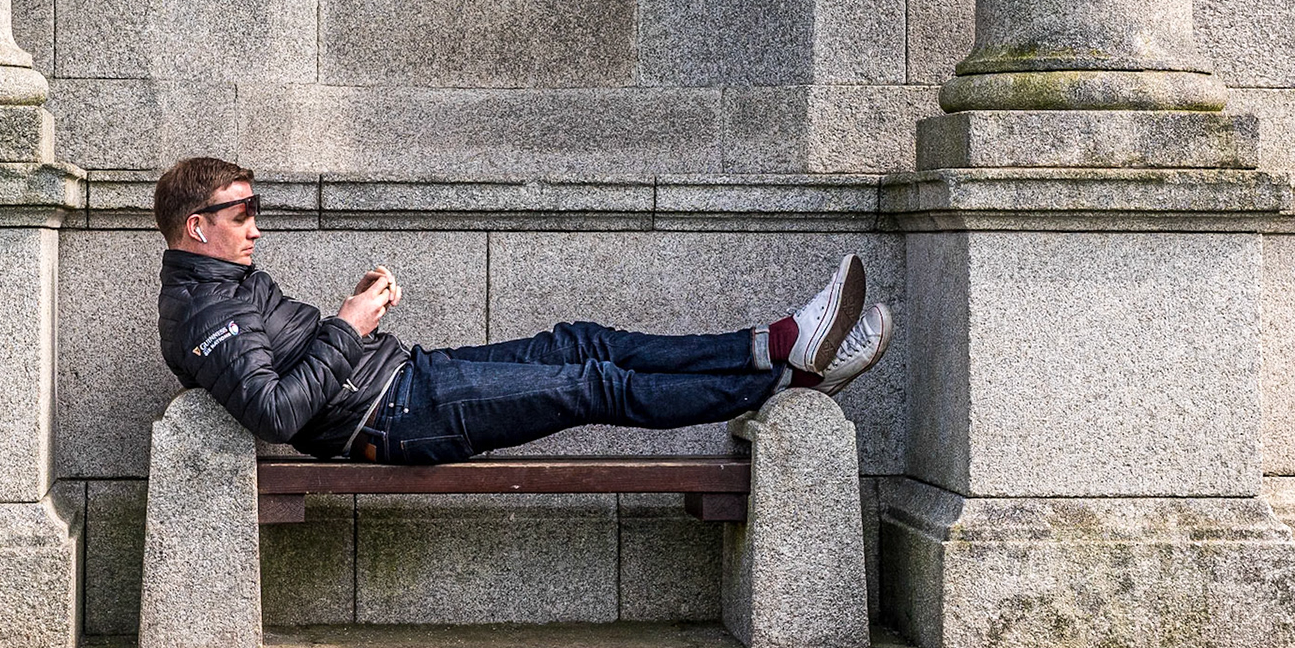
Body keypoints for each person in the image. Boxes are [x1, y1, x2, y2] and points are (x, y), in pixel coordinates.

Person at [155, 156, 893, 464]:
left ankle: (776, 343)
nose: (256, 225)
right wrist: (349, 326)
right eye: (242, 211)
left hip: (409, 376)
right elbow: (276, 413)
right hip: (393, 417)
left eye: (256, 209)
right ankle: (787, 382)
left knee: (583, 339)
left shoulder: (224, 283)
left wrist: (354, 322)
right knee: (592, 383)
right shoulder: (199, 314)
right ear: (198, 226)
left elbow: (291, 364)